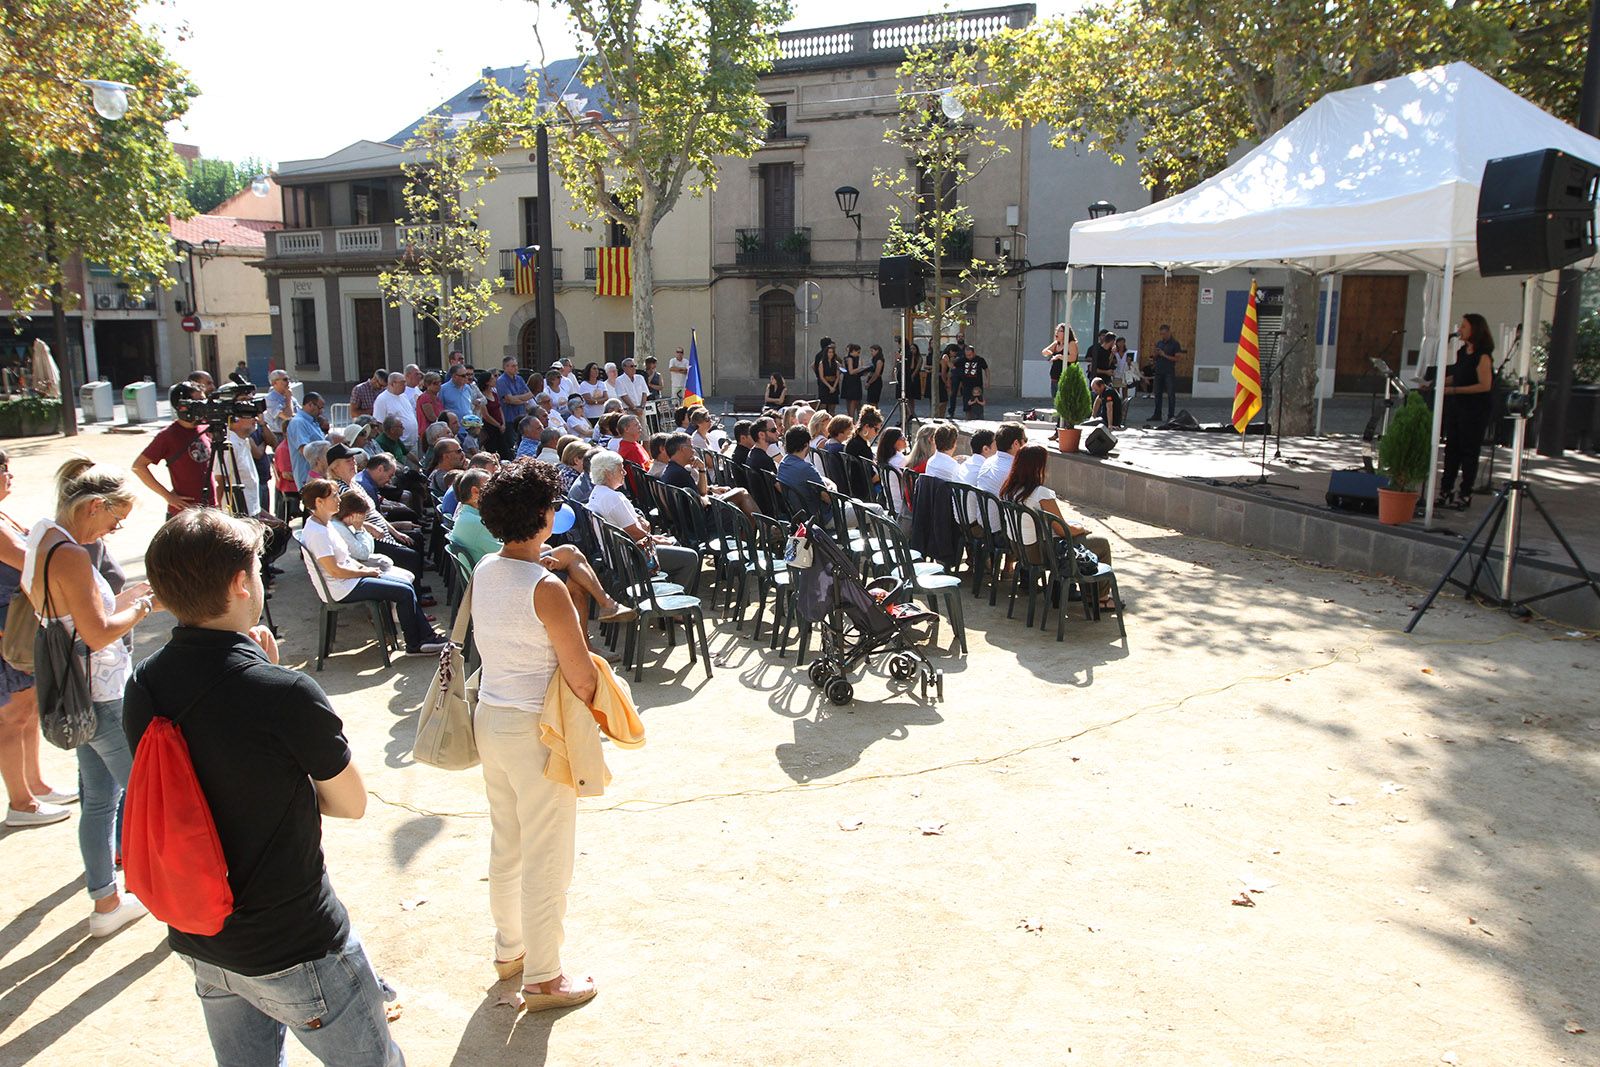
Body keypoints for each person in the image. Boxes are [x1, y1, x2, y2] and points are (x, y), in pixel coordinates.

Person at [128, 507, 404, 1065]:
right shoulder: (285, 694)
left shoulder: (145, 681)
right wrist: (269, 679)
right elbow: (349, 803)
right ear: (238, 583)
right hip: (293, 943)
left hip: (202, 935)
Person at [466, 460, 613, 1013]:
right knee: (548, 854)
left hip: (492, 717)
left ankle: (511, 952)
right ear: (545, 517)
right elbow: (580, 674)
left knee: (509, 842)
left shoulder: (484, 567)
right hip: (539, 730)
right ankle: (545, 976)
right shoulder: (547, 588)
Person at [25, 461, 157, 935]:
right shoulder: (73, 555)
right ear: (95, 505)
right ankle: (176, 902)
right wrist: (140, 607)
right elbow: (98, 634)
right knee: (148, 802)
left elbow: (67, 617)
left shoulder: (43, 536)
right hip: (100, 692)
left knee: (99, 801)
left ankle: (106, 903)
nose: (115, 529)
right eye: (115, 519)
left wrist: (115, 606)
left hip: (75, 691)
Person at [0, 451, 73, 827]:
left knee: (27, 709)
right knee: (12, 716)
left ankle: (36, 785)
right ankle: (20, 802)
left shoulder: (3, 514)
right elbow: (30, 561)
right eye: (2, 470)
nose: (8, 476)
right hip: (6, 629)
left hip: (17, 622)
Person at [300, 479, 443, 655]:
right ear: (319, 502)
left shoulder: (325, 522)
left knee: (405, 585)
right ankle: (415, 644)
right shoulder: (318, 533)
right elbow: (335, 570)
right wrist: (366, 571)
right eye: (334, 495)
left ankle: (425, 638)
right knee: (403, 592)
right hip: (343, 587)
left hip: (350, 578)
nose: (339, 499)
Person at [1000, 443, 1115, 606]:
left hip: (1020, 549)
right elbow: (1062, 530)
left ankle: (1084, 593)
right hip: (1041, 553)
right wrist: (1081, 529)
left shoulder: (1008, 490)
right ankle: (1101, 598)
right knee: (1101, 543)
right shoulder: (1040, 493)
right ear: (1038, 467)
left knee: (1075, 532)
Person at [586, 452, 703, 593]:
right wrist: (656, 540)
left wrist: (652, 536)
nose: (624, 472)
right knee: (690, 557)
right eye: (620, 469)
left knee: (673, 544)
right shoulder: (613, 498)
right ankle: (675, 608)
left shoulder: (597, 493)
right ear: (608, 473)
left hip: (616, 554)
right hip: (631, 557)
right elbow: (636, 533)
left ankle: (672, 594)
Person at [1436, 312, 1496, 510]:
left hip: (1474, 409)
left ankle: (1465, 493)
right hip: (1457, 407)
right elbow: (1458, 375)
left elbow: (1484, 385)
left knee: (1468, 452)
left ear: (1474, 330)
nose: (1459, 330)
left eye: (1463, 327)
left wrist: (1454, 390)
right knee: (1451, 449)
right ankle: (1445, 490)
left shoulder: (1483, 356)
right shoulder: (1463, 352)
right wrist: (1436, 383)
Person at [134, 382, 214, 517]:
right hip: (185, 514)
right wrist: (168, 497)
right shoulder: (168, 435)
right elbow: (138, 466)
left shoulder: (204, 428)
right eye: (198, 401)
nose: (203, 405)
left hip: (210, 510)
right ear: (182, 406)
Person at [660, 432, 756, 518]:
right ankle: (766, 529)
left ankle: (758, 532)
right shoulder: (678, 474)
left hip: (693, 519)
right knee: (741, 492)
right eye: (691, 447)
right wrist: (712, 497)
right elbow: (702, 501)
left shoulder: (672, 469)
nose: (694, 451)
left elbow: (701, 492)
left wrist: (702, 469)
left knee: (738, 497)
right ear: (682, 449)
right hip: (700, 522)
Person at [776, 424, 833, 521]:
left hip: (801, 517)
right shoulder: (806, 468)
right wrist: (833, 486)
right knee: (867, 510)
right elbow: (829, 498)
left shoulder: (783, 464)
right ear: (806, 445)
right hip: (823, 518)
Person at [977, 421, 1027, 525]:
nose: (1026, 444)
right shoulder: (1014, 469)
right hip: (1002, 530)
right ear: (1016, 443)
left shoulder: (988, 461)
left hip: (984, 523)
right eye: (1025, 440)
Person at [286, 390, 329, 490]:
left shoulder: (312, 421)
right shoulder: (298, 423)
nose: (322, 411)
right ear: (310, 405)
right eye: (320, 408)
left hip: (319, 475)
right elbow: (304, 450)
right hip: (308, 477)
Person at [1149, 324, 1184, 423]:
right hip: (1159, 371)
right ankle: (1157, 414)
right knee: (1157, 394)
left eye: (1164, 334)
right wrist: (1156, 354)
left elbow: (1177, 358)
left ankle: (1171, 415)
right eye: (1161, 334)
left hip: (1169, 372)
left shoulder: (1175, 344)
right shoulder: (1159, 343)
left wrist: (1164, 355)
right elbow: (1154, 358)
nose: (1163, 336)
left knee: (1171, 394)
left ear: (1169, 332)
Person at [845, 406, 882, 496]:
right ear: (866, 427)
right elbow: (871, 478)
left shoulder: (852, 441)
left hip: (854, 487)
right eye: (876, 429)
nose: (877, 433)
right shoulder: (862, 447)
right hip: (863, 491)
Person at [496, 357, 534, 431]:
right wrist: (523, 400)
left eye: (516, 365)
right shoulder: (501, 381)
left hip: (522, 416)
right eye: (513, 366)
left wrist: (516, 399)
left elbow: (530, 395)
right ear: (505, 367)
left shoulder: (519, 379)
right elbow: (509, 399)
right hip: (510, 418)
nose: (516, 368)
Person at [1044, 323, 1078, 397]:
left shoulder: (1071, 343)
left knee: (1064, 400)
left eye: (1060, 331)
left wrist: (1059, 356)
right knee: (1056, 401)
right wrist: (1049, 352)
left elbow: (1073, 358)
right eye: (1057, 330)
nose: (1057, 332)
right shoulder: (1056, 344)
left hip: (1066, 378)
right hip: (1054, 378)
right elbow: (1044, 351)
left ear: (1066, 333)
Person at [264, 369, 298, 437]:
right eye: (285, 379)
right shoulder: (270, 399)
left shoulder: (289, 396)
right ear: (274, 383)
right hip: (280, 435)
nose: (288, 382)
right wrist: (288, 398)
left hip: (294, 432)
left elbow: (300, 412)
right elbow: (287, 416)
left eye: (289, 379)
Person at [959, 344, 989, 414]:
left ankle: (978, 417)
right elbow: (954, 366)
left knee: (978, 403)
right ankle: (968, 418)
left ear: (974, 353)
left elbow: (986, 369)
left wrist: (987, 380)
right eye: (967, 355)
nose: (968, 357)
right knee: (967, 404)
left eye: (970, 355)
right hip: (966, 385)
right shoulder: (963, 360)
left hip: (977, 385)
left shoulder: (980, 359)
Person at [814, 341, 841, 414]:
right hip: (825, 385)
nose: (831, 354)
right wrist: (829, 387)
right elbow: (821, 377)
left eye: (832, 352)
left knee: (832, 407)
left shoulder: (836, 363)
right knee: (823, 406)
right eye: (829, 352)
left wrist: (834, 387)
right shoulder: (822, 363)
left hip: (834, 384)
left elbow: (838, 376)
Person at [840, 343, 864, 416]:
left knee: (853, 400)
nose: (858, 354)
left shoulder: (854, 358)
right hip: (851, 381)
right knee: (852, 400)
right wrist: (861, 367)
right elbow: (851, 371)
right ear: (853, 351)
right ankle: (851, 417)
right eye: (858, 352)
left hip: (854, 380)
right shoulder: (850, 358)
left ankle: (852, 417)